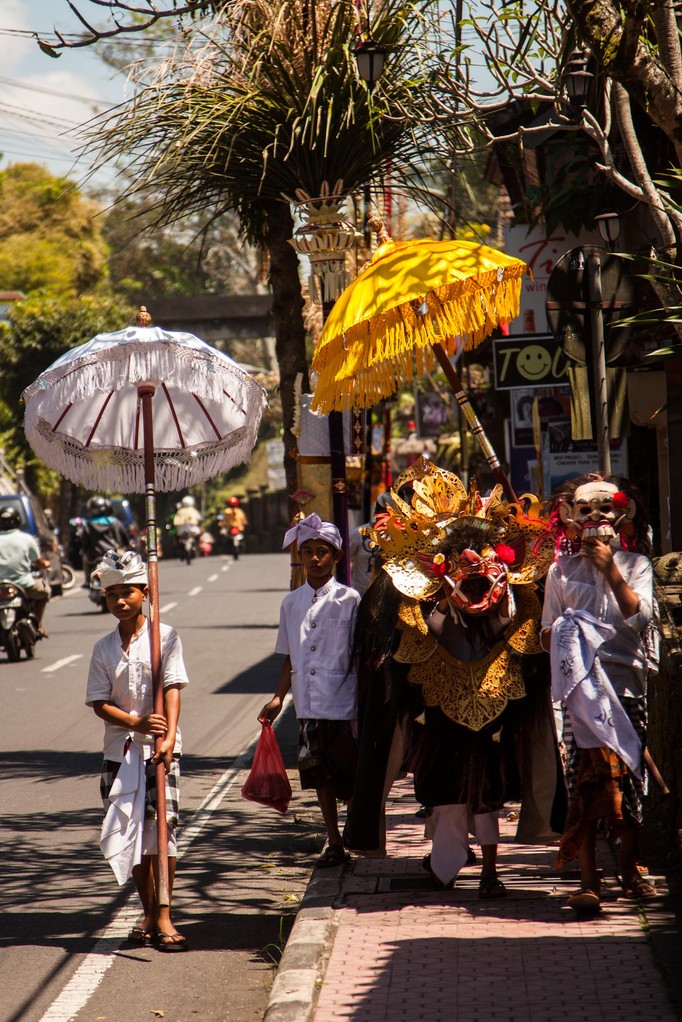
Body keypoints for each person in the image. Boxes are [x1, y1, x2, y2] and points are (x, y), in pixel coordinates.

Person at [346, 458, 562, 895]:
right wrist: (442, 602)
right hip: (438, 702)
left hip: (494, 698)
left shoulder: (512, 596)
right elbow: (395, 644)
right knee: (444, 792)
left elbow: (523, 632)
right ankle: (447, 865)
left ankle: (487, 871)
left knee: (489, 795)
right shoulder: (408, 592)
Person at [542, 475, 656, 915]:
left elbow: (638, 617)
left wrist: (610, 570)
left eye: (604, 510)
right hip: (581, 695)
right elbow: (547, 633)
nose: (595, 519)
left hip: (625, 686)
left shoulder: (636, 566)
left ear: (621, 515)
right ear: (570, 517)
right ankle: (590, 880)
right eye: (585, 510)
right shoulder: (559, 572)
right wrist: (571, 632)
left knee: (629, 781)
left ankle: (629, 870)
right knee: (584, 786)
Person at [85, 550, 190, 952]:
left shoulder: (166, 636)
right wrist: (136, 723)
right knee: (132, 835)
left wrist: (166, 736)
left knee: (163, 835)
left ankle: (165, 913)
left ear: (144, 592)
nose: (120, 601)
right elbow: (98, 702)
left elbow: (173, 689)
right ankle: (148, 911)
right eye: (111, 595)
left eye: (126, 592)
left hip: (161, 751)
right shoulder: (103, 648)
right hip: (119, 752)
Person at [258, 513, 361, 868]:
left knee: (350, 773)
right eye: (308, 552)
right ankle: (333, 841)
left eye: (322, 551)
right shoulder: (291, 603)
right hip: (308, 704)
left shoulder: (350, 600)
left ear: (335, 557)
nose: (315, 558)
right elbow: (290, 657)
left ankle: (356, 831)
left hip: (345, 703)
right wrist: (278, 697)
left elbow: (360, 655)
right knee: (321, 777)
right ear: (299, 557)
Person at [0, 506, 51, 636]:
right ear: (17, 521)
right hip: (24, 584)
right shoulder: (27, 538)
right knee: (44, 591)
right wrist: (46, 564)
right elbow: (39, 561)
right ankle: (38, 624)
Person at [81, 497, 130, 585]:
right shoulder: (115, 522)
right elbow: (124, 538)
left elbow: (84, 543)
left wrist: (86, 551)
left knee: (85, 558)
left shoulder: (88, 525)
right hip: (115, 555)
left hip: (95, 556)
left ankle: (87, 581)